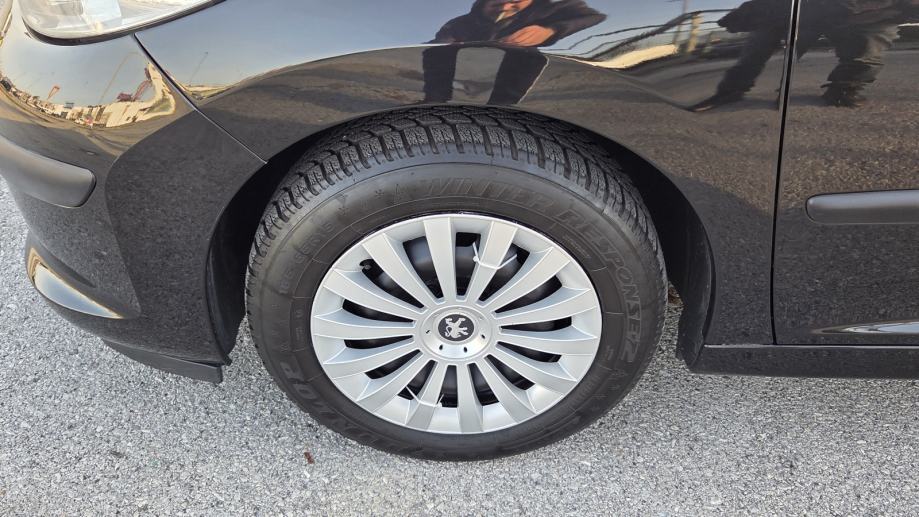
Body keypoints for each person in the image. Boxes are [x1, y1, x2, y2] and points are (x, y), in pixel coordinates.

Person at [691, 0, 908, 111]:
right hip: (803, 11)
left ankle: (843, 89)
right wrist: (749, 12)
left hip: (868, 14)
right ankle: (731, 90)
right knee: (758, 47)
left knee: (867, 54)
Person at [423, 0, 605, 104]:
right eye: (497, 2)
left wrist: (551, 30)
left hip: (516, 85)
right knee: (435, 53)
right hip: (467, 82)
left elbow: (595, 17)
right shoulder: (460, 23)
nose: (505, 8)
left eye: (515, 3)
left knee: (527, 57)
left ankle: (505, 108)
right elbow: (437, 47)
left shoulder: (551, 9)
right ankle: (436, 101)